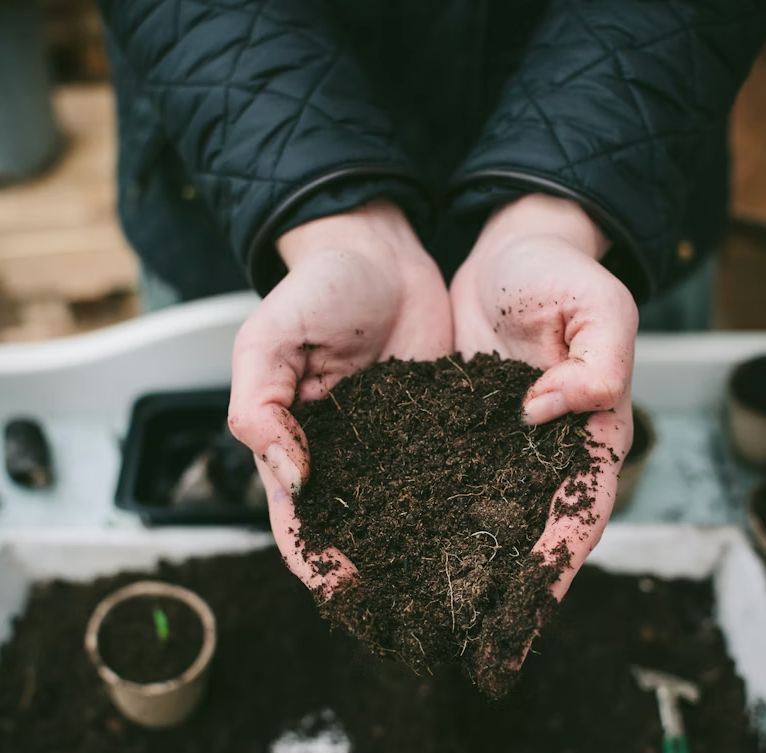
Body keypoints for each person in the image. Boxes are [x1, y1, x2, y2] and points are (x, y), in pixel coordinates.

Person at [98, 0, 766, 663]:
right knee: (271, 476)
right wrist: (323, 211)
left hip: (626, 171)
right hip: (242, 168)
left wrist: (562, 207)